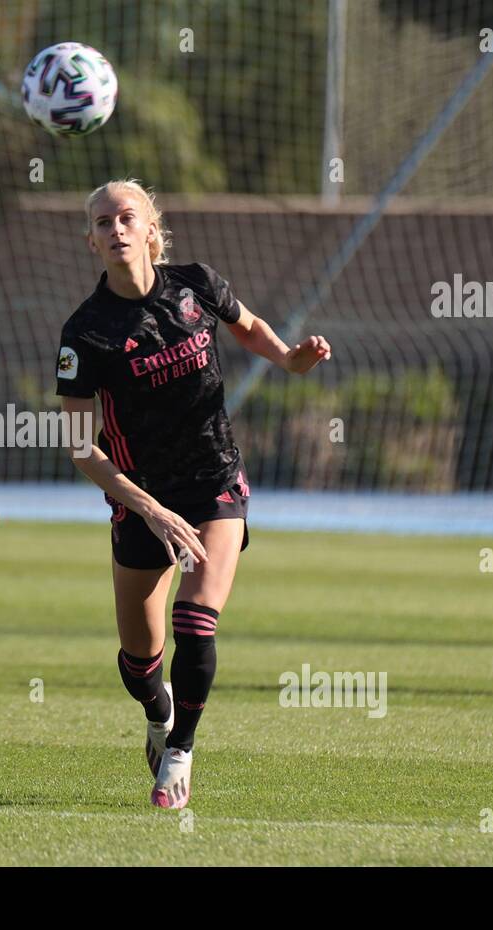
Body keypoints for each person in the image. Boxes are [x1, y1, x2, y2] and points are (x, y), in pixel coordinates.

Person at [56, 179, 331, 809]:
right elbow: (79, 446)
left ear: (153, 228)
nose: (117, 229)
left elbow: (251, 326)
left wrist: (289, 359)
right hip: (141, 502)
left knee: (196, 618)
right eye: (103, 222)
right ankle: (159, 716)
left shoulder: (196, 284)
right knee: (138, 665)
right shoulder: (86, 334)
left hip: (214, 485)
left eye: (128, 217)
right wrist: (149, 511)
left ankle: (178, 751)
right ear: (92, 240)